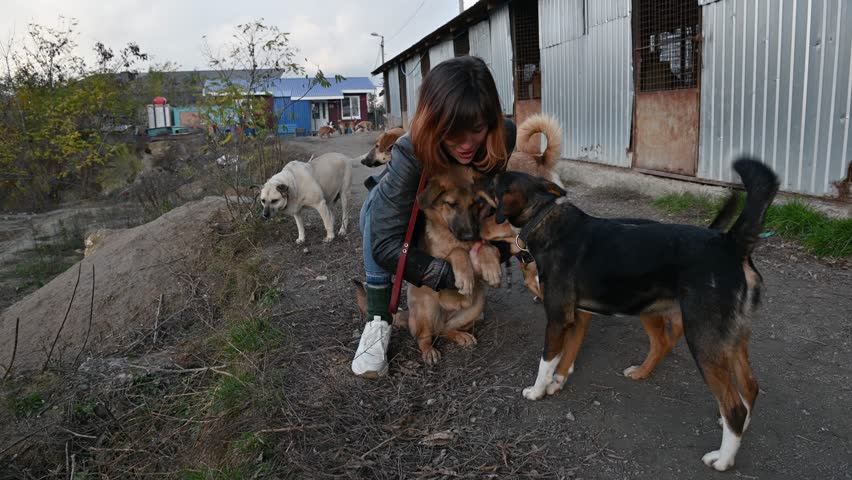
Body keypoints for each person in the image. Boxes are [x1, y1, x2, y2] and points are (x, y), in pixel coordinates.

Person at [352, 56, 517, 378]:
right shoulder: (409, 150)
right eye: (453, 132)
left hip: (450, 217)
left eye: (477, 129)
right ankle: (378, 318)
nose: (467, 144)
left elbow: (488, 209)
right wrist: (443, 273)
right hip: (406, 217)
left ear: (491, 122)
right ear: (434, 122)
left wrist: (494, 252)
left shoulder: (502, 138)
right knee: (377, 216)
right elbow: (385, 245)